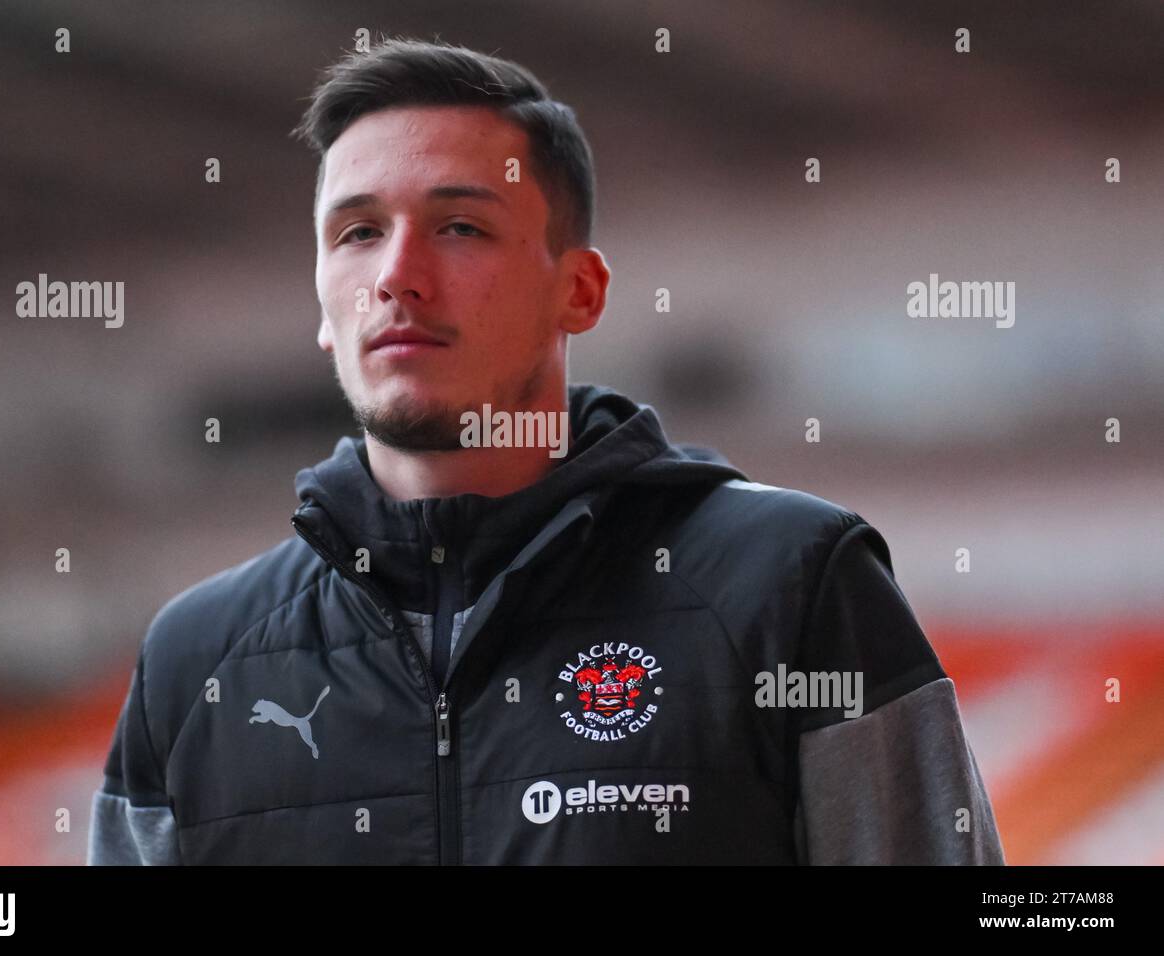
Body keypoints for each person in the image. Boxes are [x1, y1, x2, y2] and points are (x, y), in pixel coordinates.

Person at [87, 36, 1005, 865]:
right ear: (324, 301)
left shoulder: (788, 585)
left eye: (460, 227)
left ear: (580, 290)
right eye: (358, 232)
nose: (396, 276)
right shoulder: (197, 660)